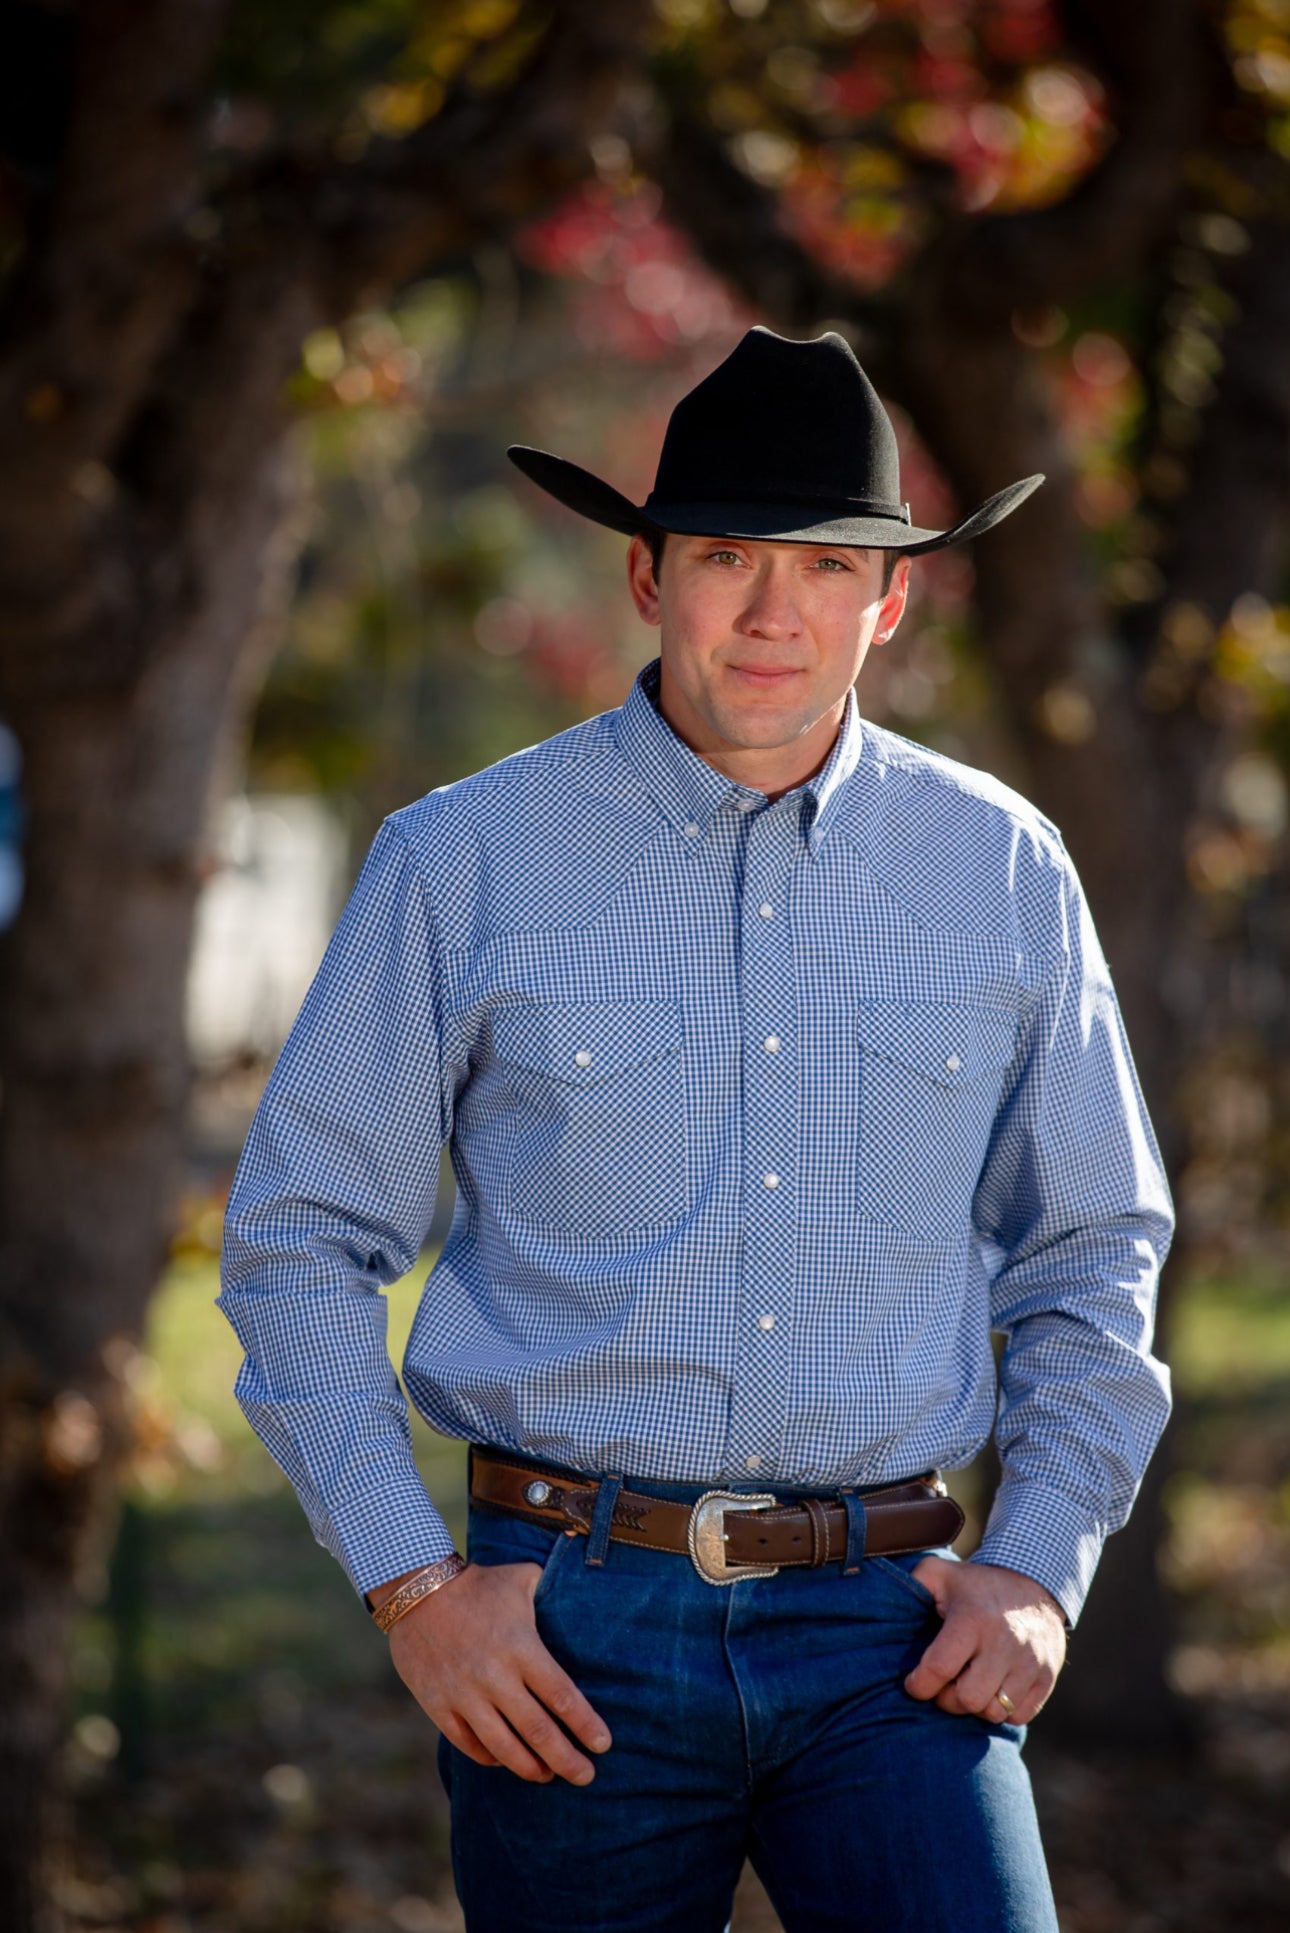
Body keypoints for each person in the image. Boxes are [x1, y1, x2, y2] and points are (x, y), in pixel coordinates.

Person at [217, 325, 1174, 1932]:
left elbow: (1090, 1245)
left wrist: (1037, 1563)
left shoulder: (1001, 869)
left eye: (821, 565)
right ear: (648, 577)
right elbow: (301, 1234)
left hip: (895, 1634)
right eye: (725, 554)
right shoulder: (462, 861)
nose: (770, 609)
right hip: (564, 1632)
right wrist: (413, 1588)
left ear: (891, 600)